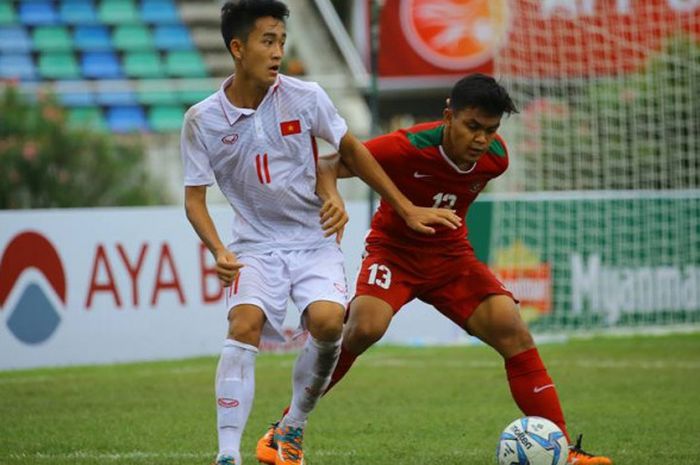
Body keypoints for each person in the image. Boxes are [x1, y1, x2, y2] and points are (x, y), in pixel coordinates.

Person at [256, 74, 613, 465]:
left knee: (515, 332)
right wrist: (335, 199)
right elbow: (328, 165)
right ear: (449, 116)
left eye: (490, 131)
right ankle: (285, 429)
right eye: (472, 127)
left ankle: (562, 449)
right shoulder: (404, 147)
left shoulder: (496, 159)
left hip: (450, 258)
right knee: (363, 329)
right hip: (394, 253)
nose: (481, 139)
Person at [180, 2, 462, 465]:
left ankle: (291, 427)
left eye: (282, 42)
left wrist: (405, 207)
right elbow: (194, 200)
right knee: (243, 325)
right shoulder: (201, 120)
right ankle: (227, 455)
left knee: (331, 323)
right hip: (254, 246)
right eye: (267, 41)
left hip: (313, 240)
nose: (278, 52)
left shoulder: (306, 97)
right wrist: (217, 249)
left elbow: (353, 151)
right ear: (237, 47)